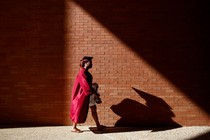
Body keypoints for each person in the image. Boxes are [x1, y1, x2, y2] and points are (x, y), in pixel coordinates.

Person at [70, 56, 104, 133]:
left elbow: (87, 84)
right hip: (83, 94)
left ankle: (98, 125)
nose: (92, 63)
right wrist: (94, 92)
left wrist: (93, 87)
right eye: (90, 62)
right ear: (86, 62)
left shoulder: (86, 72)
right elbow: (85, 85)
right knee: (79, 109)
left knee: (93, 109)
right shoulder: (82, 72)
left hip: (88, 93)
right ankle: (73, 127)